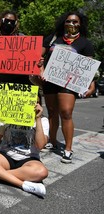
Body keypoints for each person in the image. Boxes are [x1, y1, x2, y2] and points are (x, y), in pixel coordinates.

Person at [39, 11, 95, 163]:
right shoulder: (52, 38)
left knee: (66, 113)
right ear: (63, 22)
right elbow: (39, 57)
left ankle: (68, 149)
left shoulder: (85, 43)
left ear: (80, 24)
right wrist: (41, 70)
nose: (72, 24)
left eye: (75, 22)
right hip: (50, 80)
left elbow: (88, 68)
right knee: (51, 112)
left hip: (69, 83)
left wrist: (91, 84)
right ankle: (53, 141)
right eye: (69, 21)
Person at [0, 94, 49, 197]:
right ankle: (22, 184)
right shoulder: (7, 114)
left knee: (42, 172)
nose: (34, 105)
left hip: (29, 159)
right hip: (5, 156)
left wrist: (38, 119)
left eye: (36, 102)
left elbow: (40, 145)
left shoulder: (43, 120)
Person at [0, 10, 31, 84]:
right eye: (6, 20)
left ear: (15, 24)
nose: (8, 23)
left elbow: (30, 57)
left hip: (20, 80)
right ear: (1, 21)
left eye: (12, 22)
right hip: (0, 79)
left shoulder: (23, 39)